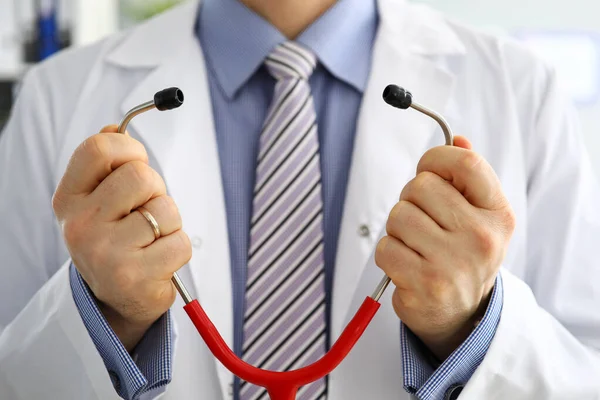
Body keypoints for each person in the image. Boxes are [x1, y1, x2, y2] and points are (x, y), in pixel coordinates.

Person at [1, 0, 599, 398]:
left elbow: (584, 367)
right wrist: (104, 319)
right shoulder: (57, 96)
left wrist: (468, 332)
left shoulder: (523, 90)